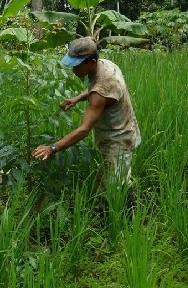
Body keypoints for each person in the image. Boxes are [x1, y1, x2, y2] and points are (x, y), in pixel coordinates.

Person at [31, 36, 140, 208]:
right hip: (120, 128)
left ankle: (123, 218)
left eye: (76, 66)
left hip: (119, 139)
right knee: (115, 177)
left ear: (91, 61)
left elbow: (84, 129)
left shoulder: (102, 89)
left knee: (113, 185)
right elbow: (96, 89)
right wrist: (77, 98)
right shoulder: (105, 64)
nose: (73, 70)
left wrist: (52, 148)